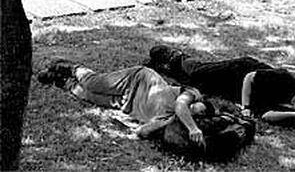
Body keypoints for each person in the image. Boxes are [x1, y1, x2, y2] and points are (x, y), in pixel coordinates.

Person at [148, 46, 295, 125]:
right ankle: (173, 55)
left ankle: (165, 68)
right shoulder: (286, 81)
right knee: (198, 71)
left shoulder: (289, 105)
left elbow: (265, 114)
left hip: (233, 89)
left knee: (196, 85)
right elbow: (250, 77)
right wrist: (246, 107)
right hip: (237, 71)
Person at [38, 59, 208, 146]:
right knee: (93, 83)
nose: (194, 109)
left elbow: (141, 132)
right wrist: (193, 128)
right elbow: (181, 106)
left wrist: (170, 122)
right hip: (136, 80)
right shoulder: (190, 94)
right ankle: (71, 68)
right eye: (197, 107)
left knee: (85, 94)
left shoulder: (167, 122)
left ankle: (62, 81)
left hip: (126, 103)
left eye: (197, 114)